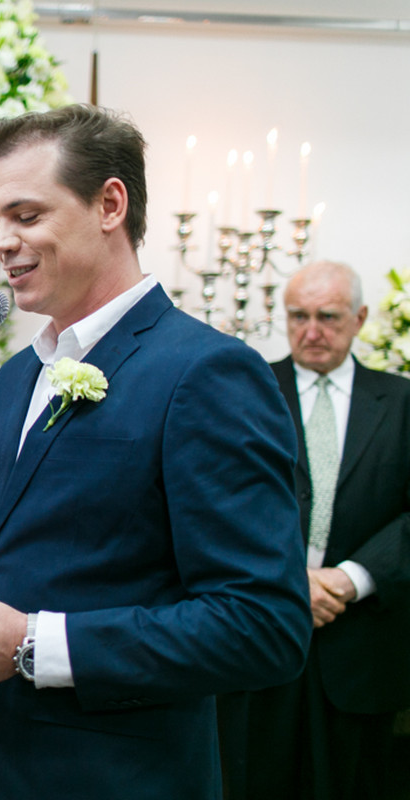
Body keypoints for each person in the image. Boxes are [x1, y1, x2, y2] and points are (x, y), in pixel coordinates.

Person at [0, 104, 312, 800]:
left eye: (26, 215)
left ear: (110, 204)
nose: (1, 242)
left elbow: (264, 627)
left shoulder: (206, 372)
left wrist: (31, 645)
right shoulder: (16, 375)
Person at [217, 260, 410, 800]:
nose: (312, 331)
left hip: (363, 645)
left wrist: (349, 579)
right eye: (298, 316)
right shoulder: (243, 389)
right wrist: (289, 579)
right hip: (258, 633)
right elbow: (216, 500)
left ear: (360, 318)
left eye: (328, 317)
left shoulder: (401, 402)